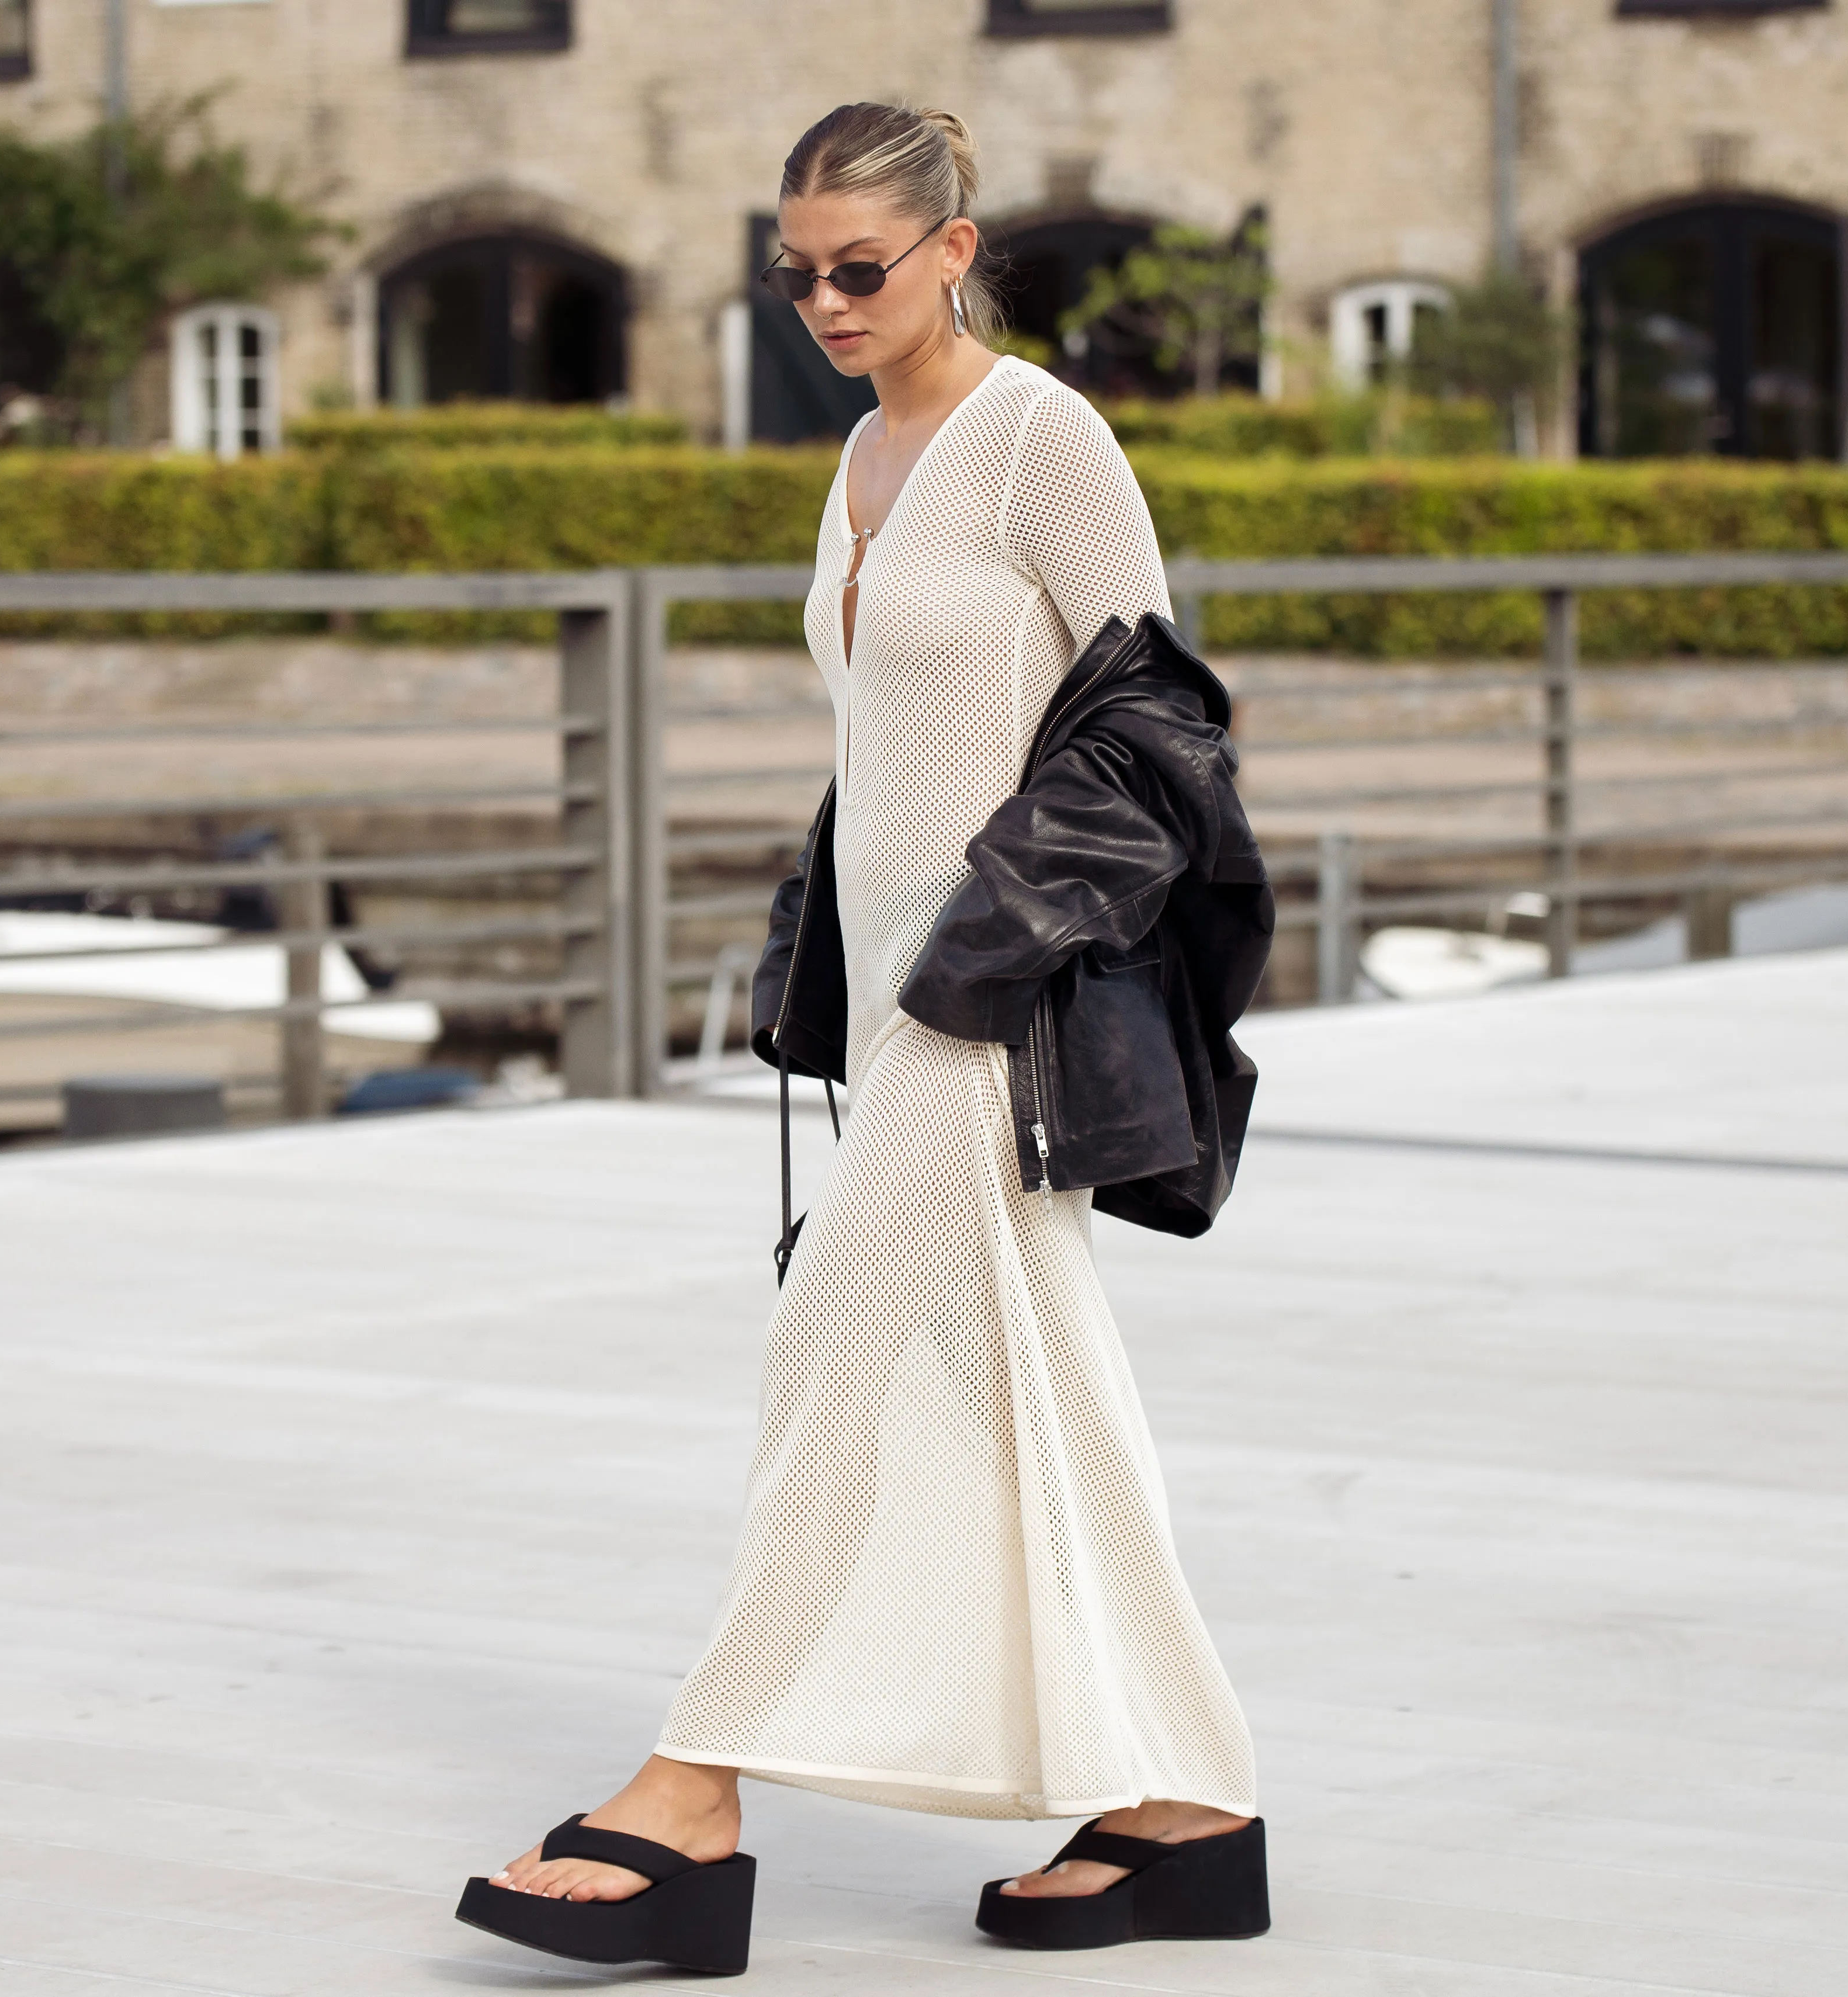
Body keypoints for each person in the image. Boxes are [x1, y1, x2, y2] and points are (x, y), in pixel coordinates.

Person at [451, 102, 1273, 1974]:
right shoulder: (862, 447)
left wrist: (987, 945)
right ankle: (1188, 1811)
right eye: (796, 274)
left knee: (828, 1350)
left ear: (954, 250)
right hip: (895, 994)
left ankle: (691, 1791)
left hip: (988, 1002)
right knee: (1035, 1389)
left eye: (859, 268)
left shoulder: (1041, 438)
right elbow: (890, 742)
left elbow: (1159, 724)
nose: (824, 301)